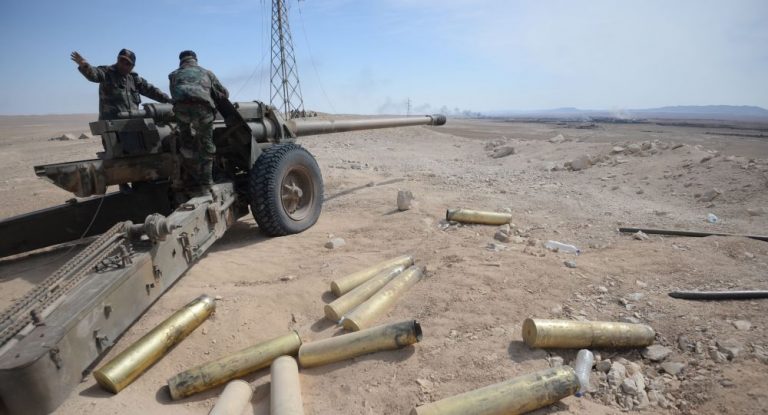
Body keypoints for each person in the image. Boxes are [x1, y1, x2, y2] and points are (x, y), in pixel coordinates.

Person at [168, 50, 229, 191]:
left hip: (181, 112)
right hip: (203, 111)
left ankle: (190, 173)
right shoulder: (207, 73)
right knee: (207, 146)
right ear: (195, 60)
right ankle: (206, 182)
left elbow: (174, 95)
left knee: (186, 143)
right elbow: (224, 93)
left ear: (181, 61)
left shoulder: (173, 75)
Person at [71, 49, 172, 120]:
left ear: (132, 66)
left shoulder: (134, 79)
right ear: (117, 60)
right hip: (112, 124)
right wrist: (85, 66)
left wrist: (169, 100)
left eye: (127, 63)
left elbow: (151, 90)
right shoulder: (107, 72)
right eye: (121, 61)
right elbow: (94, 75)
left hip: (132, 123)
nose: (123, 65)